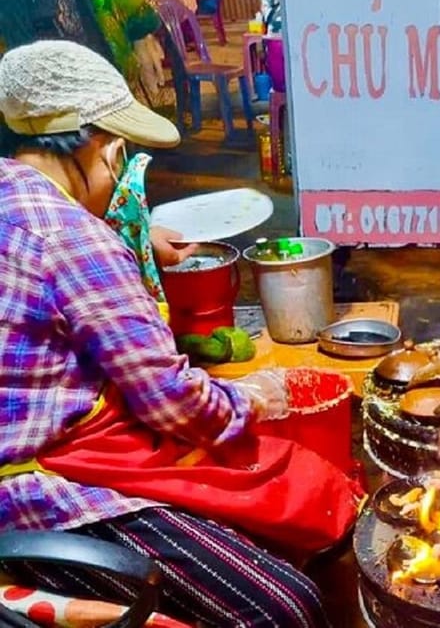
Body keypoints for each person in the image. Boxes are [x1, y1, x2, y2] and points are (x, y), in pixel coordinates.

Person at [0, 40, 358, 627]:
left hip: (44, 456)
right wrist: (253, 397)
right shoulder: (71, 238)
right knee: (284, 604)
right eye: (119, 155)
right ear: (102, 146)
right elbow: (174, 403)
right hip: (39, 499)